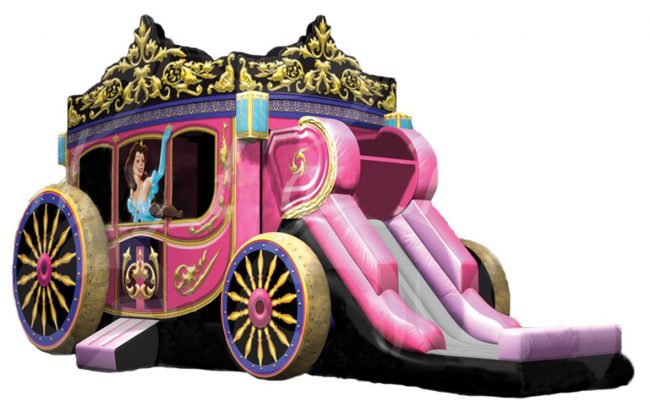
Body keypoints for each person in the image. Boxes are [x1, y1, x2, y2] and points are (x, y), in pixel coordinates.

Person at [124, 125, 182, 222]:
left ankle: (176, 213)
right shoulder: (132, 191)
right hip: (139, 230)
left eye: (143, 161)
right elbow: (135, 217)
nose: (141, 164)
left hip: (153, 228)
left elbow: (160, 172)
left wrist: (164, 142)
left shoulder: (147, 182)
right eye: (138, 161)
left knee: (157, 209)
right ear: (131, 165)